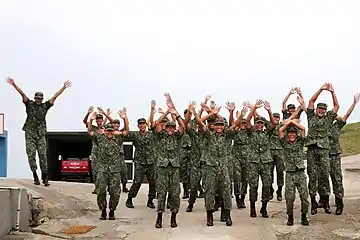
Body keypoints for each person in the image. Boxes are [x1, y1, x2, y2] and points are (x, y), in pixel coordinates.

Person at [6, 77, 71, 186]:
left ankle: (45, 176)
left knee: (42, 156)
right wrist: (14, 85)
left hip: (40, 134)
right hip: (30, 134)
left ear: (42, 99)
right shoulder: (29, 104)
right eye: (37, 98)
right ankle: (35, 175)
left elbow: (55, 96)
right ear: (35, 98)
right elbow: (22, 94)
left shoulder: (45, 106)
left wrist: (63, 88)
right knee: (30, 154)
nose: (39, 100)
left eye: (40, 98)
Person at [87, 108, 129, 220]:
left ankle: (112, 210)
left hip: (115, 171)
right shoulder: (100, 139)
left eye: (111, 131)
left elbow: (126, 132)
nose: (110, 133)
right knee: (101, 191)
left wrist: (125, 118)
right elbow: (90, 132)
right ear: (105, 131)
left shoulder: (118, 140)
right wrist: (90, 121)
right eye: (108, 131)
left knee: (115, 192)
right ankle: (103, 210)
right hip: (102, 170)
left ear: (113, 131)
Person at [305, 83, 339, 215]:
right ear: (316, 110)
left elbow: (336, 106)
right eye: (319, 108)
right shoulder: (311, 116)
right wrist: (321, 89)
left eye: (323, 109)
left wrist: (332, 92)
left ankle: (325, 201)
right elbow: (311, 101)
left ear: (325, 111)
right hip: (312, 150)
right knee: (312, 176)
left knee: (325, 175)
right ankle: (313, 202)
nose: (321, 110)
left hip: (324, 150)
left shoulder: (329, 118)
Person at [153, 94, 184, 229]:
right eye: (169, 127)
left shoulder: (177, 136)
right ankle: (159, 218)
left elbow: (183, 126)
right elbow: (157, 123)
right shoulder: (160, 136)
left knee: (175, 193)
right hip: (163, 168)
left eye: (172, 127)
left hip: (174, 168)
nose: (170, 129)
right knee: (161, 193)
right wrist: (166, 111)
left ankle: (173, 218)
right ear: (166, 128)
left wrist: (175, 114)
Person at [328, 93, 360, 215]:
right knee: (323, 179)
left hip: (335, 155)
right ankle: (324, 201)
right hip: (324, 155)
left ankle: (339, 202)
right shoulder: (322, 127)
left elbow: (346, 115)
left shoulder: (337, 126)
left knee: (337, 179)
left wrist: (354, 103)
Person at [245, 99, 275, 218]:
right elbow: (247, 122)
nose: (259, 125)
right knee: (253, 186)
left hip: (266, 162)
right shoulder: (251, 133)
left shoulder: (267, 133)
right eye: (257, 123)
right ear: (255, 124)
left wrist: (269, 111)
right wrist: (254, 109)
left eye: (261, 123)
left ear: (263, 125)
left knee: (267, 185)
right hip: (253, 162)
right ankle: (252, 207)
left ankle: (264, 207)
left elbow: (273, 125)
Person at [279, 119, 309, 226]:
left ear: (296, 134)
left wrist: (292, 121)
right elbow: (281, 130)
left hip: (300, 173)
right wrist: (288, 123)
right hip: (290, 174)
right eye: (290, 133)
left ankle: (304, 217)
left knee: (304, 197)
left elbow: (303, 129)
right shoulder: (284, 143)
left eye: (294, 133)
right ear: (288, 135)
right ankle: (290, 217)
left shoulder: (300, 142)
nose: (292, 135)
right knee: (289, 198)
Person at [125, 108, 156, 209]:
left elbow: (152, 123)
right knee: (137, 181)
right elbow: (126, 131)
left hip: (150, 161)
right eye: (140, 124)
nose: (142, 126)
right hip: (139, 161)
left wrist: (151, 110)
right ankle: (130, 198)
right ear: (138, 126)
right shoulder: (135, 135)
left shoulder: (151, 134)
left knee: (153, 182)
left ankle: (150, 200)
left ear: (145, 125)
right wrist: (125, 118)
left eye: (144, 124)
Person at [84, 106, 113, 194]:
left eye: (100, 119)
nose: (99, 120)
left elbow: (112, 122)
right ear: (96, 120)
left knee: (107, 170)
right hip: (95, 152)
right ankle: (97, 188)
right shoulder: (94, 128)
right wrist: (89, 114)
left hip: (105, 152)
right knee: (95, 171)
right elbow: (85, 122)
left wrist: (105, 113)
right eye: (98, 119)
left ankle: (107, 187)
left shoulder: (106, 127)